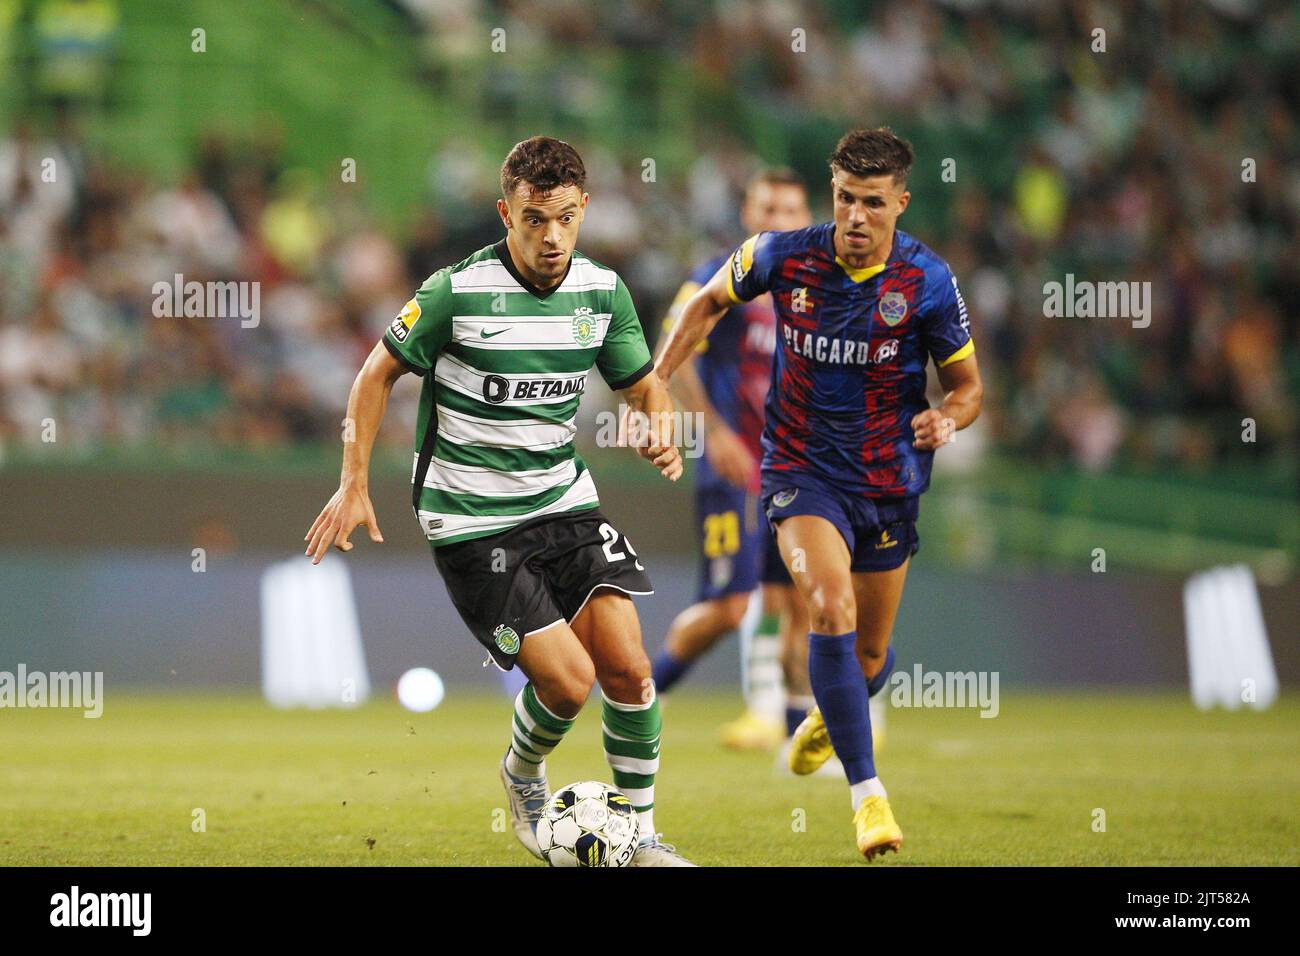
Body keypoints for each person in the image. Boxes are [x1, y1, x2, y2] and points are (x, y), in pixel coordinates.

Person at [304, 136, 693, 866]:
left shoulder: (602, 294)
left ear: (585, 212)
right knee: (571, 685)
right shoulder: (457, 291)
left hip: (564, 499)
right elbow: (373, 376)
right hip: (472, 518)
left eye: (566, 220)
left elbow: (644, 383)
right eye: (533, 219)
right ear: (504, 214)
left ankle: (639, 840)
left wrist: (659, 425)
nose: (552, 238)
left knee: (631, 669)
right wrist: (354, 480)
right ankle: (521, 776)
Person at [654, 128, 983, 861]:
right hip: (801, 472)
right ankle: (869, 800)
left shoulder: (928, 281)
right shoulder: (783, 254)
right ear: (830, 193)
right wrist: (655, 386)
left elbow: (968, 391)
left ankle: (830, 717)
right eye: (844, 198)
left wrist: (945, 419)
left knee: (867, 656)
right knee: (824, 604)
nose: (856, 216)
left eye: (872, 202)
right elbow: (706, 304)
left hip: (889, 482)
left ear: (900, 202)